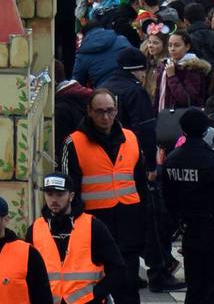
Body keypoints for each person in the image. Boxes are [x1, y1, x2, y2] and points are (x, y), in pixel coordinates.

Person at [62, 91, 144, 304]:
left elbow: (141, 183)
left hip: (128, 222)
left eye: (109, 111)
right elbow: (69, 189)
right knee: (99, 285)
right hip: (95, 223)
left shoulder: (130, 138)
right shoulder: (75, 142)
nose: (105, 117)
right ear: (89, 112)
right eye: (99, 112)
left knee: (129, 282)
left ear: (116, 111)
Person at [155, 110, 214, 304]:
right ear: (206, 130)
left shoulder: (172, 160)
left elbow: (168, 200)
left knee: (195, 288)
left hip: (190, 232)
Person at [27, 175, 122, 304]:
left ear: (71, 196)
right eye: (49, 194)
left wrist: (96, 295)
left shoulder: (93, 226)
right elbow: (26, 273)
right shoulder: (35, 229)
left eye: (60, 194)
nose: (53, 200)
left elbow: (118, 269)